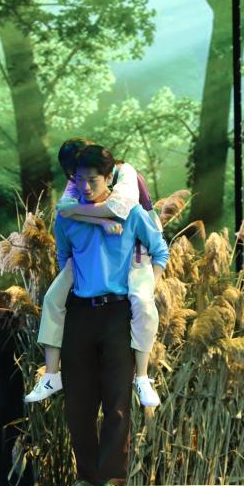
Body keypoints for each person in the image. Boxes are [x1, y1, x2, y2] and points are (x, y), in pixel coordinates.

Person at [52, 144, 169, 486]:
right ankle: (85, 476)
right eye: (79, 179)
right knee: (78, 401)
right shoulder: (66, 217)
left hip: (118, 312)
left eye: (93, 180)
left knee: (116, 399)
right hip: (80, 312)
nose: (86, 186)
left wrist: (150, 286)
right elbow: (63, 258)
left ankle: (112, 478)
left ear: (108, 178)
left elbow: (160, 249)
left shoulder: (130, 212)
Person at [24, 138, 163, 407]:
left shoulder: (125, 174)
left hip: (139, 244)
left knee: (143, 303)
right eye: (73, 176)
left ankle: (143, 377)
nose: (80, 185)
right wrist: (95, 220)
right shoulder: (78, 181)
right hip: (87, 265)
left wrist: (87, 216)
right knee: (52, 298)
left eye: (84, 177)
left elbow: (116, 209)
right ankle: (51, 375)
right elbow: (64, 211)